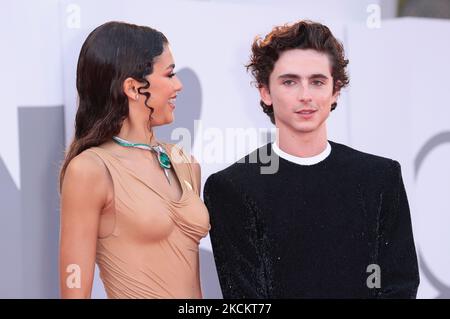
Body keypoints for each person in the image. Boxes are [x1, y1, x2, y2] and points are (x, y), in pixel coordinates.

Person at [203, 20, 419, 298]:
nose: (305, 96)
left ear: (335, 90)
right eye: (290, 82)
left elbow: (399, 284)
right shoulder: (232, 188)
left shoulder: (380, 178)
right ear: (265, 92)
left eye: (317, 82)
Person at [59, 21, 210, 299]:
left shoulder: (184, 162)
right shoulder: (90, 170)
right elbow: (74, 286)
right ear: (133, 88)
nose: (178, 85)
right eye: (169, 74)